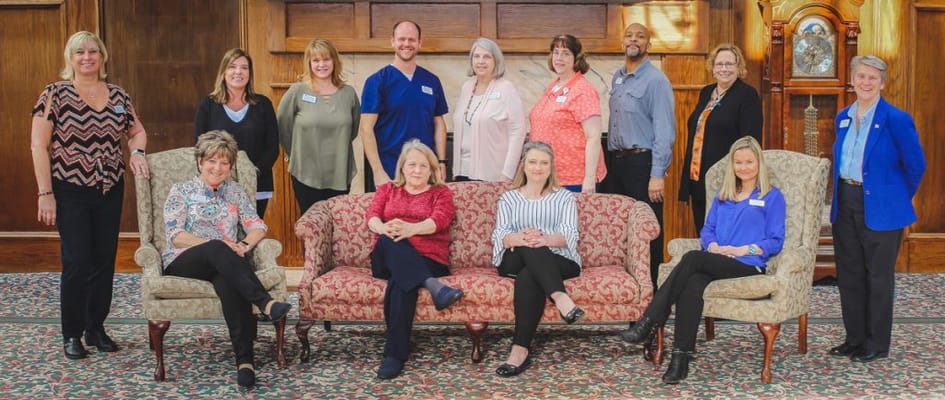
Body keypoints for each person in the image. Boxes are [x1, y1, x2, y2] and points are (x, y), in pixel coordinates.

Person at [619, 136, 785, 384]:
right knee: (693, 283)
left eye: (749, 161)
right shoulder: (724, 194)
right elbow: (707, 230)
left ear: (759, 163)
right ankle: (680, 359)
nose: (744, 167)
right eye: (738, 162)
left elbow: (775, 241)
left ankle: (651, 319)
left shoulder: (772, 196)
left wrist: (742, 250)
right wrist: (714, 245)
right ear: (732, 165)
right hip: (718, 259)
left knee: (692, 258)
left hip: (748, 264)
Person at [30, 31, 150, 360]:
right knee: (77, 261)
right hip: (69, 188)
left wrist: (137, 152)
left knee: (103, 261)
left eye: (93, 51)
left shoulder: (117, 95)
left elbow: (136, 130)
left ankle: (95, 327)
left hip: (110, 188)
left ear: (103, 56)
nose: (87, 57)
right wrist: (45, 193)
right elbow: (38, 145)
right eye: (80, 52)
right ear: (70, 58)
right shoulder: (54, 94)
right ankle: (72, 333)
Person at [162, 130, 292, 389]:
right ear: (200, 161)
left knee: (228, 281)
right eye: (211, 160)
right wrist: (218, 245)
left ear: (231, 166)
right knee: (218, 248)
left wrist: (244, 245)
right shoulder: (182, 190)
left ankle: (245, 363)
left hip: (224, 263)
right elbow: (176, 235)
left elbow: (257, 226)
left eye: (224, 162)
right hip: (184, 259)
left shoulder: (235, 192)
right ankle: (266, 303)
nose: (217, 167)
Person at [828, 55, 926, 363]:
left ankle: (876, 342)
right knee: (850, 274)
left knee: (878, 277)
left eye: (872, 77)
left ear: (882, 83)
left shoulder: (896, 119)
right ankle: (854, 338)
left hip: (882, 208)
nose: (865, 82)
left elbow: (915, 166)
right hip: (845, 201)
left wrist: (892, 196)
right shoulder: (842, 116)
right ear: (852, 80)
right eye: (861, 76)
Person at [366, 139, 463, 379]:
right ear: (402, 168)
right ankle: (433, 286)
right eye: (412, 165)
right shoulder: (388, 189)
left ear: (432, 169)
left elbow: (440, 220)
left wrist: (411, 229)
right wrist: (385, 228)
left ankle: (394, 355)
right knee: (390, 240)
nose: (417, 171)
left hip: (429, 258)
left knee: (401, 284)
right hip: (386, 257)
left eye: (422, 166)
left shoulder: (441, 192)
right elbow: (372, 217)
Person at [491, 141, 585, 377]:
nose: (538, 167)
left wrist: (544, 239)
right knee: (530, 248)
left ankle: (519, 350)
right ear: (523, 165)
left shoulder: (564, 198)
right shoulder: (509, 198)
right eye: (532, 162)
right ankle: (560, 297)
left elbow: (570, 235)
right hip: (514, 257)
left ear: (551, 167)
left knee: (529, 275)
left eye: (544, 163)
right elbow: (500, 235)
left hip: (559, 259)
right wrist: (521, 238)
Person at [604, 22, 676, 289]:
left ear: (649, 45)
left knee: (649, 232)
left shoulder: (657, 81)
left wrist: (657, 174)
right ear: (622, 42)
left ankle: (651, 299)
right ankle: (629, 294)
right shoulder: (618, 77)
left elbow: (665, 131)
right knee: (621, 233)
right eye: (629, 35)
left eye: (640, 36)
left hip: (642, 164)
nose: (633, 40)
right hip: (617, 163)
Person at [679, 43, 763, 233]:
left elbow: (750, 141)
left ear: (738, 67)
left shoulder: (747, 95)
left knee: (724, 235)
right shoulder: (706, 93)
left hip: (727, 180)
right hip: (698, 177)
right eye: (719, 64)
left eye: (729, 64)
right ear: (713, 67)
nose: (724, 69)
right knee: (704, 234)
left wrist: (740, 177)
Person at [360, 20, 449, 191]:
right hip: (390, 171)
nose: (406, 44)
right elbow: (366, 129)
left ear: (419, 43)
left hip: (424, 171)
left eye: (411, 40)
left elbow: (439, 125)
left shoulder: (432, 80)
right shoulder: (377, 81)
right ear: (392, 41)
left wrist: (441, 162)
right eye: (401, 39)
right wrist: (378, 171)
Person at [278, 38, 359, 213]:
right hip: (306, 173)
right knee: (312, 227)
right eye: (316, 60)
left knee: (338, 227)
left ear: (334, 61)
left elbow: (352, 131)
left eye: (326, 59)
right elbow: (283, 128)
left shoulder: (349, 94)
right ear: (309, 63)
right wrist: (294, 153)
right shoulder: (297, 91)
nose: (321, 64)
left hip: (339, 172)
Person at [194, 48, 278, 217]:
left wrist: (251, 172)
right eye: (232, 67)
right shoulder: (208, 105)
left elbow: (272, 147)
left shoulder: (263, 104)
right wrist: (221, 172)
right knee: (222, 232)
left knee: (251, 232)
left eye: (244, 67)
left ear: (249, 73)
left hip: (257, 182)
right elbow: (199, 147)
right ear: (224, 71)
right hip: (217, 182)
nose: (238, 72)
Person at [528, 34, 605, 193]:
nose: (559, 58)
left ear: (576, 58)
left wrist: (589, 179)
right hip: (549, 175)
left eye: (566, 53)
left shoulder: (583, 90)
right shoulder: (555, 85)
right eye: (556, 52)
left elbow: (593, 137)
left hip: (574, 178)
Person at [451, 37, 526, 182]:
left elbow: (518, 131)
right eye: (476, 56)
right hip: (462, 173)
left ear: (496, 61)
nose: (480, 61)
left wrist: (508, 173)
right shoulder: (466, 87)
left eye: (486, 57)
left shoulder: (506, 88)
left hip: (493, 176)